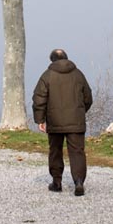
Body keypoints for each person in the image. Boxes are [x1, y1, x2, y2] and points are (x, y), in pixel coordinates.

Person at [32, 48, 93, 196]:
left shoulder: (47, 76)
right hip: (76, 121)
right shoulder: (78, 75)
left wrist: (40, 119)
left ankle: (57, 182)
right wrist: (79, 112)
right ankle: (79, 182)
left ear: (52, 60)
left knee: (55, 151)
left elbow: (39, 99)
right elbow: (88, 98)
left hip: (54, 121)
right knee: (77, 152)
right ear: (66, 58)